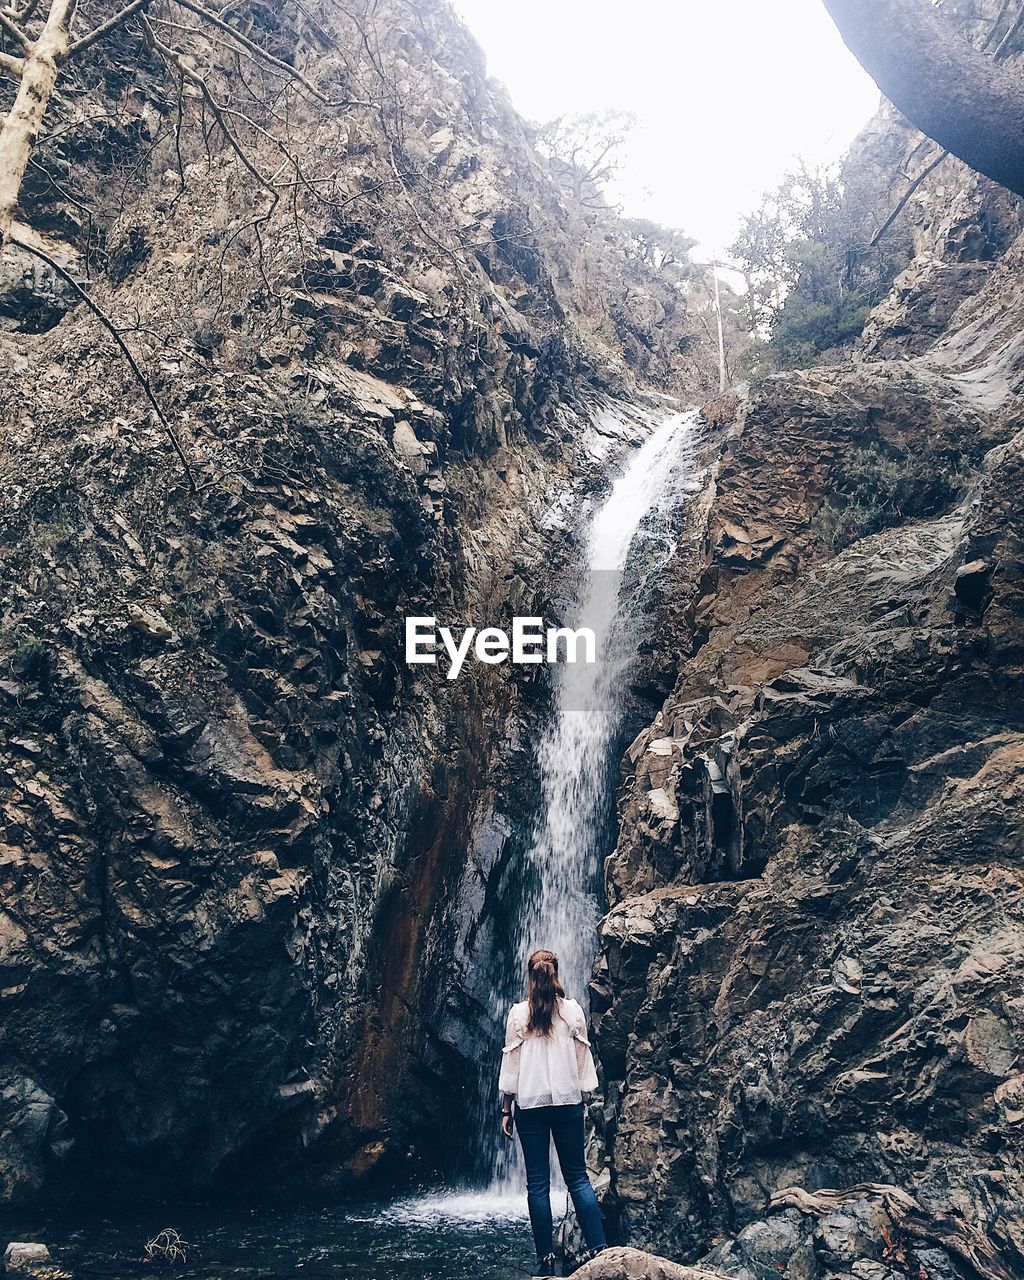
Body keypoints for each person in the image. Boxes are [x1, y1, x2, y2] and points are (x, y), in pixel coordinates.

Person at [498, 948, 608, 1277]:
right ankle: (599, 1249)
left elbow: (512, 1066)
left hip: (530, 1107)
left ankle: (545, 1261)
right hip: (567, 1103)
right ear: (556, 974)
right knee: (577, 1178)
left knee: (537, 1185)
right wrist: (583, 1092)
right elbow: (580, 1058)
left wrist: (506, 1109)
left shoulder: (519, 1015)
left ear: (530, 978)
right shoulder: (572, 1013)